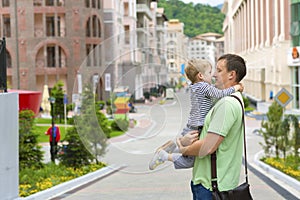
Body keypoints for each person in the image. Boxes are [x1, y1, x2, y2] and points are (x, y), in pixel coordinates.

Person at [148, 59, 243, 170]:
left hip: (191, 125)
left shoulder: (195, 86)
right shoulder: (203, 87)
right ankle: (164, 156)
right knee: (190, 161)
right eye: (209, 72)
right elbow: (220, 94)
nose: (212, 75)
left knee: (187, 148)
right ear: (201, 76)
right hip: (197, 128)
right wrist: (236, 87)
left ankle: (173, 146)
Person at [176, 54, 247, 200]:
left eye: (219, 70)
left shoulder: (227, 104)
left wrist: (184, 149)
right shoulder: (225, 100)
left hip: (212, 187)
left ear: (231, 75)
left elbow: (208, 146)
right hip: (211, 184)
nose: (214, 74)